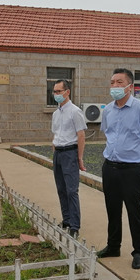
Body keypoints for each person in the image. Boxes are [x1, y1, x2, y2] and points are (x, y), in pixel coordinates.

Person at [97, 68, 140, 270]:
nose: (114, 86)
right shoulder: (108, 110)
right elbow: (108, 134)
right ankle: (113, 246)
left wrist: (135, 153)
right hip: (110, 167)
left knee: (134, 211)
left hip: (131, 169)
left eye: (119, 82)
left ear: (130, 86)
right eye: (112, 82)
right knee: (112, 209)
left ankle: (138, 251)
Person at [51, 79, 87, 238]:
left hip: (70, 153)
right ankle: (66, 220)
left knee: (72, 190)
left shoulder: (75, 111)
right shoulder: (55, 113)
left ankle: (74, 225)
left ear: (67, 92)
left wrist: (79, 157)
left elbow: (81, 135)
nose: (56, 94)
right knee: (61, 189)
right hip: (58, 153)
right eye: (54, 91)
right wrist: (54, 151)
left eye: (59, 91)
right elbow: (55, 134)